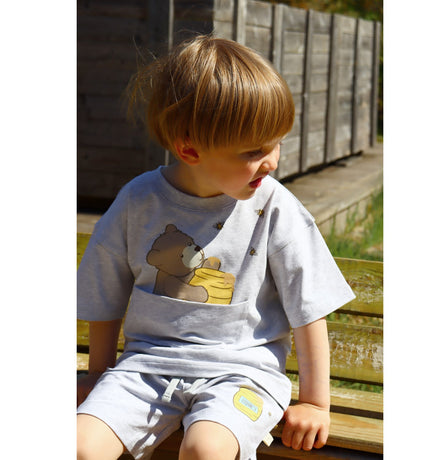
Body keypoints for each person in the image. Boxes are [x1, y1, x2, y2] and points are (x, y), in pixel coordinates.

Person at [76, 34, 355, 460]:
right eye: (254, 151)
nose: (272, 161)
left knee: (205, 449)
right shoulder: (138, 201)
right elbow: (104, 290)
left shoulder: (275, 208)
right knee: (78, 445)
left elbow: (309, 305)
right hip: (145, 369)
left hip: (243, 375)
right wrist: (98, 373)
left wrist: (316, 403)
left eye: (277, 143)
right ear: (189, 148)